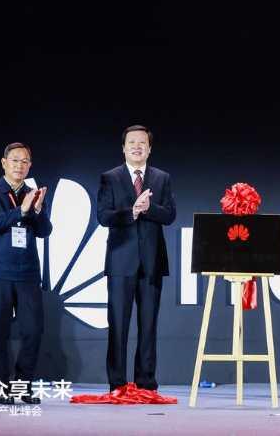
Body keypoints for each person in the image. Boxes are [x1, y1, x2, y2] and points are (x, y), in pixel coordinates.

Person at [97, 125, 176, 393]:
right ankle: (117, 383)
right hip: (120, 262)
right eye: (131, 142)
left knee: (149, 325)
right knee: (118, 326)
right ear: (123, 148)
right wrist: (131, 212)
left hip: (152, 262)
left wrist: (149, 208)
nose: (137, 147)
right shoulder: (110, 177)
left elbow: (170, 215)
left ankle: (146, 383)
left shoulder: (162, 178)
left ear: (149, 148)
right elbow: (103, 216)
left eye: (142, 143)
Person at [0, 142, 51, 405]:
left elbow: (44, 231)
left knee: (33, 331)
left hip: (28, 274)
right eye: (15, 160)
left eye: (25, 161)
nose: (19, 165)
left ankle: (23, 385)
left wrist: (37, 211)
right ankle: (2, 388)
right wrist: (21, 211)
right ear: (4, 163)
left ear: (30, 165)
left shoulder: (33, 193)